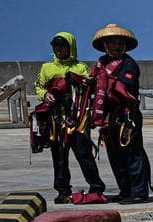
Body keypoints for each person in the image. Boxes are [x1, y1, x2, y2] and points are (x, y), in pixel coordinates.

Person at [31, 32, 109, 204]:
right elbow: (38, 86)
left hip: (79, 120)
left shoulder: (80, 67)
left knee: (84, 154)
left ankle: (96, 187)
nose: (59, 49)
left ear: (71, 47)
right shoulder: (46, 68)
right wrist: (45, 95)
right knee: (58, 157)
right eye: (56, 46)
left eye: (63, 45)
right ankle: (62, 190)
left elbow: (91, 87)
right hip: (56, 120)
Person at [91, 23, 153, 202]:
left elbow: (124, 88)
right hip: (108, 118)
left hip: (127, 116)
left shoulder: (129, 65)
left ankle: (139, 193)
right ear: (105, 44)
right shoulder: (100, 64)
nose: (116, 46)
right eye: (112, 42)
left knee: (132, 154)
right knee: (115, 156)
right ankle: (125, 189)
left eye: (120, 43)